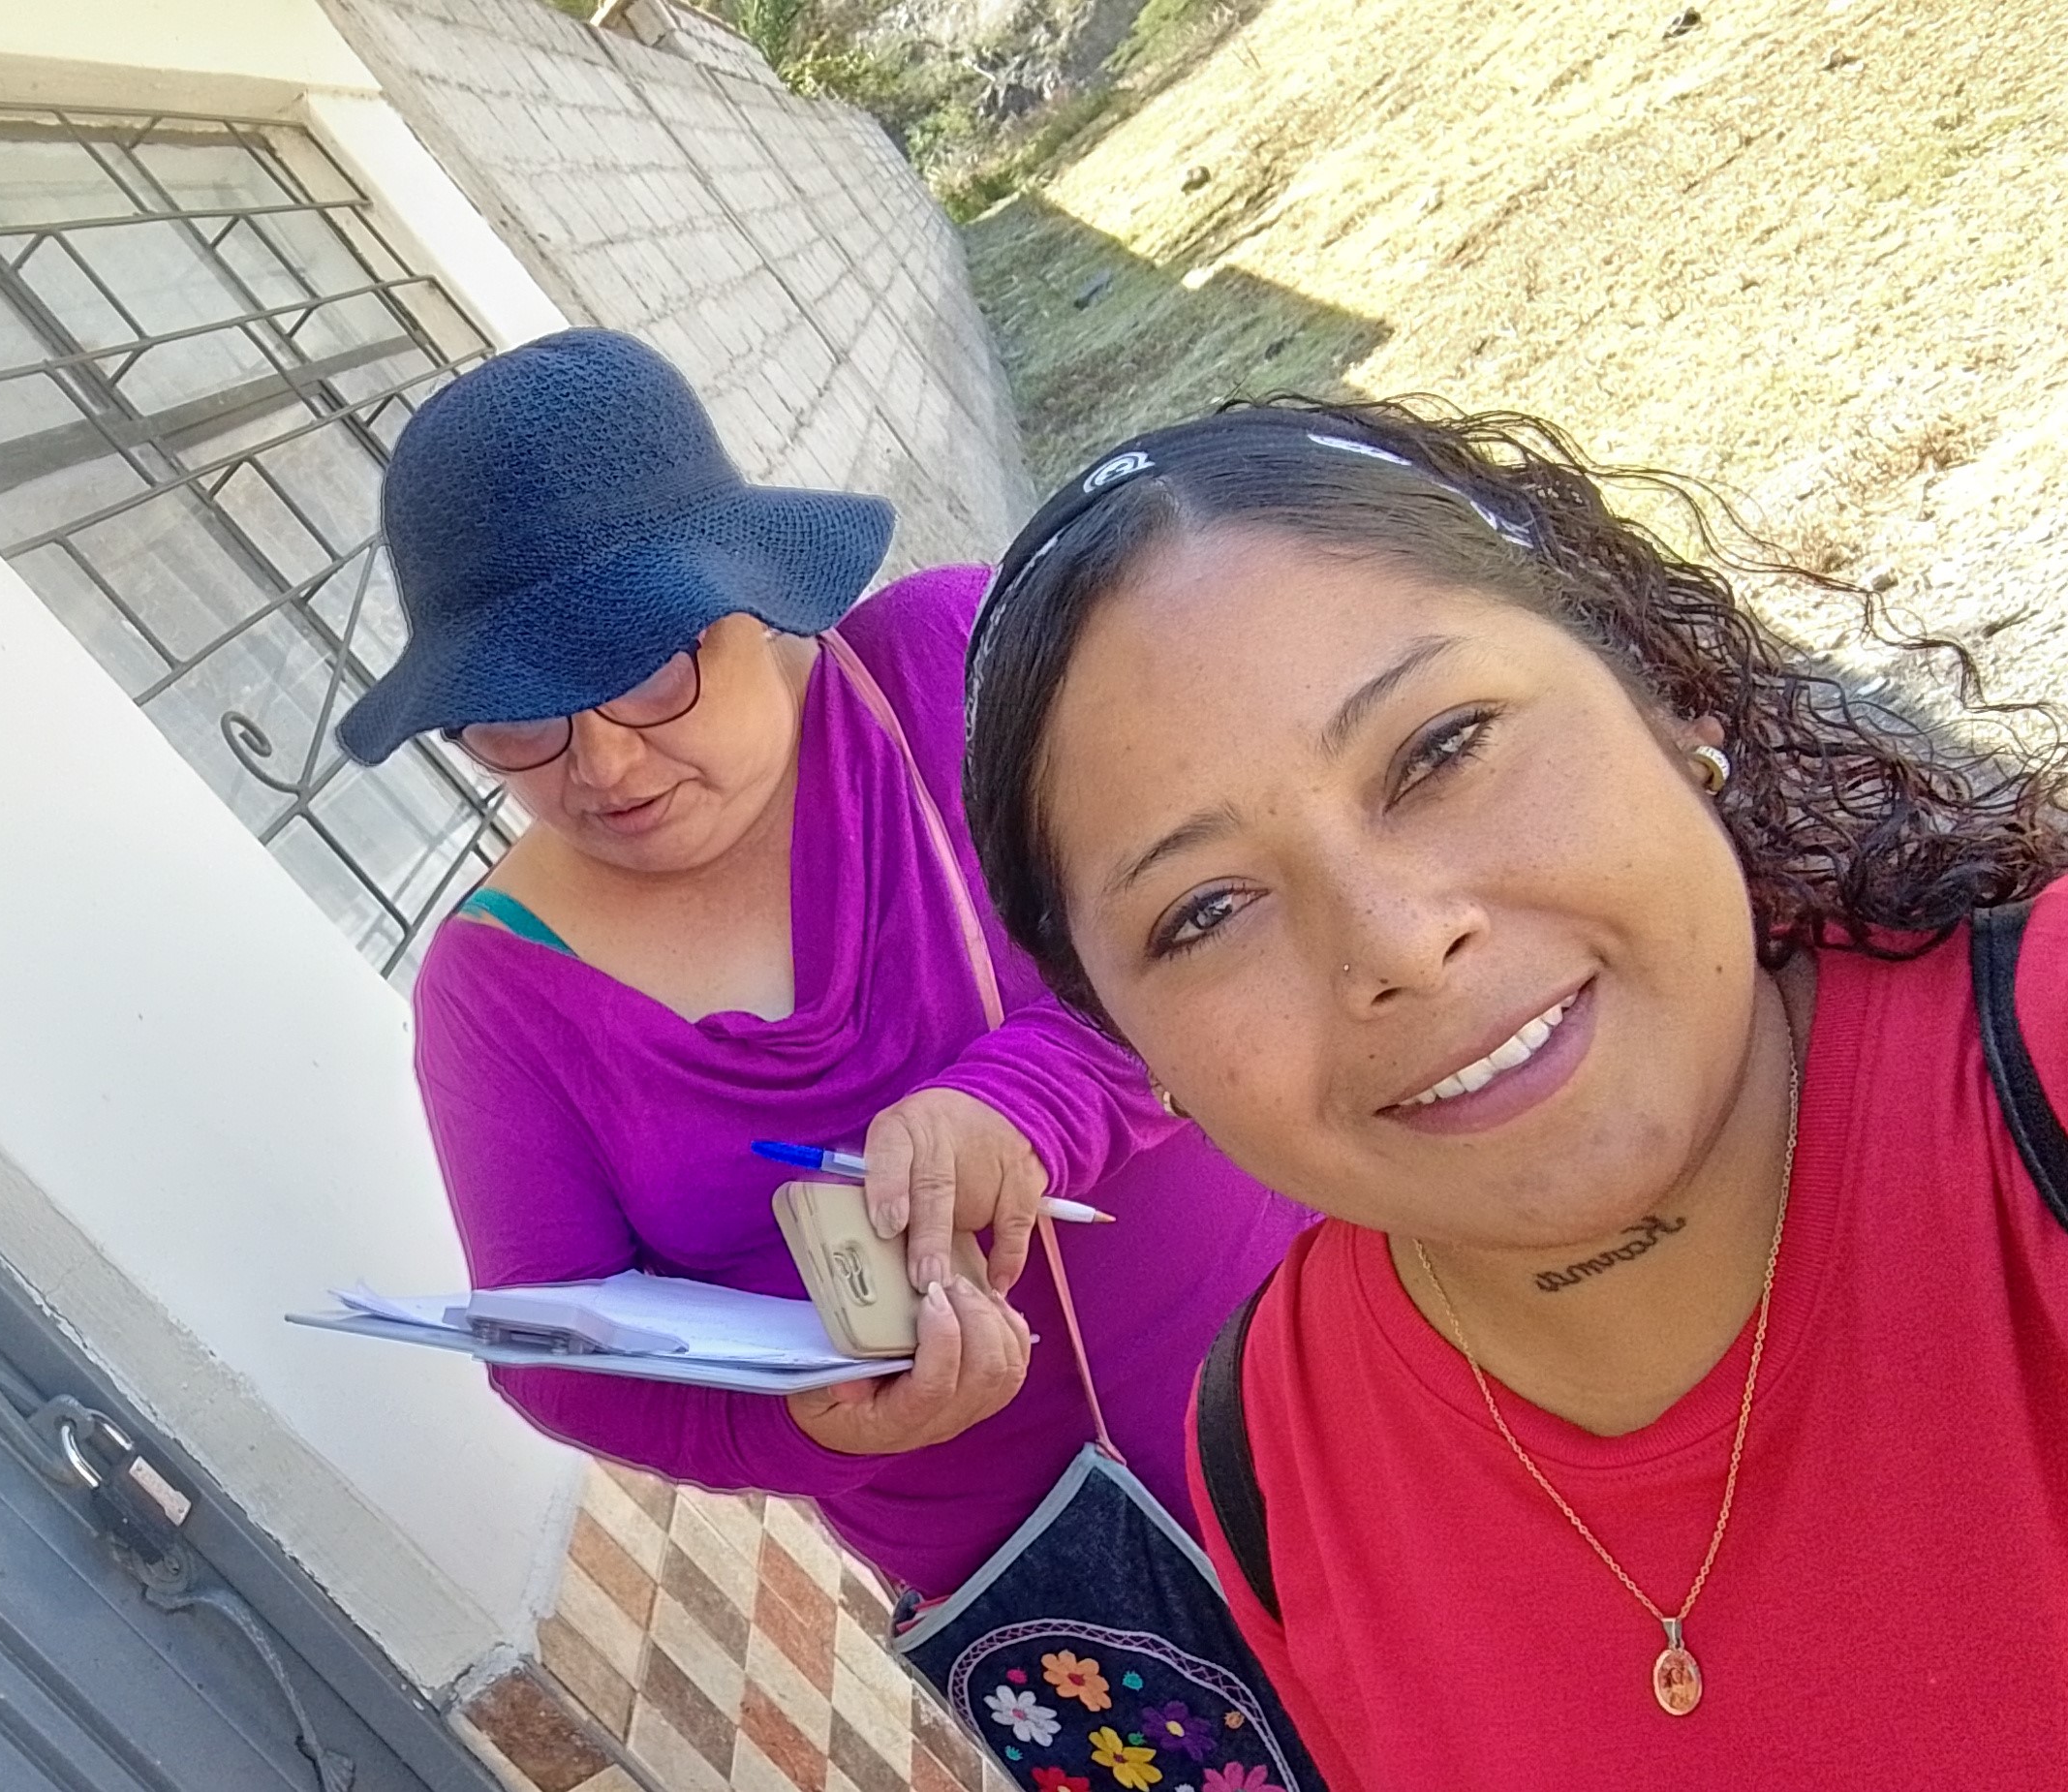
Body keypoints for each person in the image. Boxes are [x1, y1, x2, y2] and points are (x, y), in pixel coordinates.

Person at [958, 396, 2068, 1779]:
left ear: (1658, 692)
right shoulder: (1271, 1446)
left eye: (1441, 750)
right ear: (1137, 1048)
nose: (1398, 945)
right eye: (1206, 911)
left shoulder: (2039, 1081)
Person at [333, 327, 1310, 1603]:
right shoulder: (494, 994)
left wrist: (1025, 1103)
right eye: (518, 719)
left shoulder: (954, 663)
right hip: (1052, 1593)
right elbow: (551, 1352)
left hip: (1316, 1364)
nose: (604, 766)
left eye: (650, 672)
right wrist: (807, 1430)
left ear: (753, 590)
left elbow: (1239, 917)